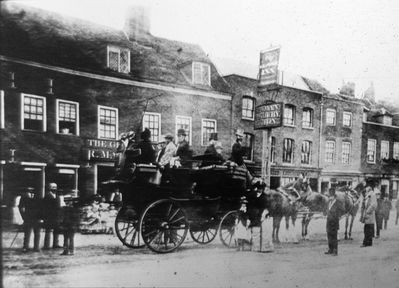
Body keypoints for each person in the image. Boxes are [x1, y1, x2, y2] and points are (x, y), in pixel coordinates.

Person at [19, 187, 42, 252]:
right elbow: (21, 208)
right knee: (29, 232)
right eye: (28, 191)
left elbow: (40, 208)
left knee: (34, 233)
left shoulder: (37, 197)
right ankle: (28, 247)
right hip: (29, 218)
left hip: (34, 217)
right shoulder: (24, 198)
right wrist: (23, 217)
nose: (29, 193)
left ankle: (34, 247)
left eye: (30, 192)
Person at [42, 183, 64, 249]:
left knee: (56, 229)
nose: (54, 189)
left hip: (56, 215)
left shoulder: (57, 196)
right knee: (48, 230)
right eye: (52, 187)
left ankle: (55, 244)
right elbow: (45, 207)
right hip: (49, 215)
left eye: (55, 187)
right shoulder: (47, 196)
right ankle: (47, 245)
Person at [325, 187, 341, 256]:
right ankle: (330, 249)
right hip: (328, 221)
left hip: (334, 222)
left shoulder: (338, 203)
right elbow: (327, 210)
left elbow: (341, 211)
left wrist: (336, 215)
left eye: (331, 195)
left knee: (334, 236)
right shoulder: (329, 202)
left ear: (334, 196)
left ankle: (335, 251)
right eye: (329, 195)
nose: (329, 197)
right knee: (329, 236)